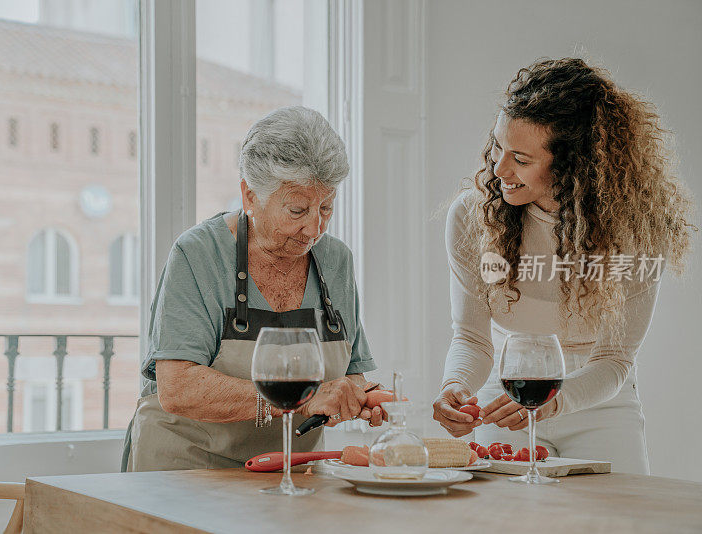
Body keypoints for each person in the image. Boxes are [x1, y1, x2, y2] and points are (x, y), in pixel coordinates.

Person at [432, 58, 695, 474]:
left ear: (574, 165)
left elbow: (614, 359)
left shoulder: (639, 230)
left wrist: (557, 401)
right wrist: (455, 386)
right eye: (498, 146)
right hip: (506, 395)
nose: (499, 169)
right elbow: (472, 338)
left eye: (520, 157)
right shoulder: (473, 217)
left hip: (600, 402)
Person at [123, 106, 381, 471]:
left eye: (326, 207)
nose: (314, 229)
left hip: (290, 471)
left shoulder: (335, 260)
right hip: (187, 471)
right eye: (297, 210)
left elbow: (351, 371)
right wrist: (300, 400)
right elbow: (178, 387)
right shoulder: (198, 254)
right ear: (249, 196)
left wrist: (358, 396)